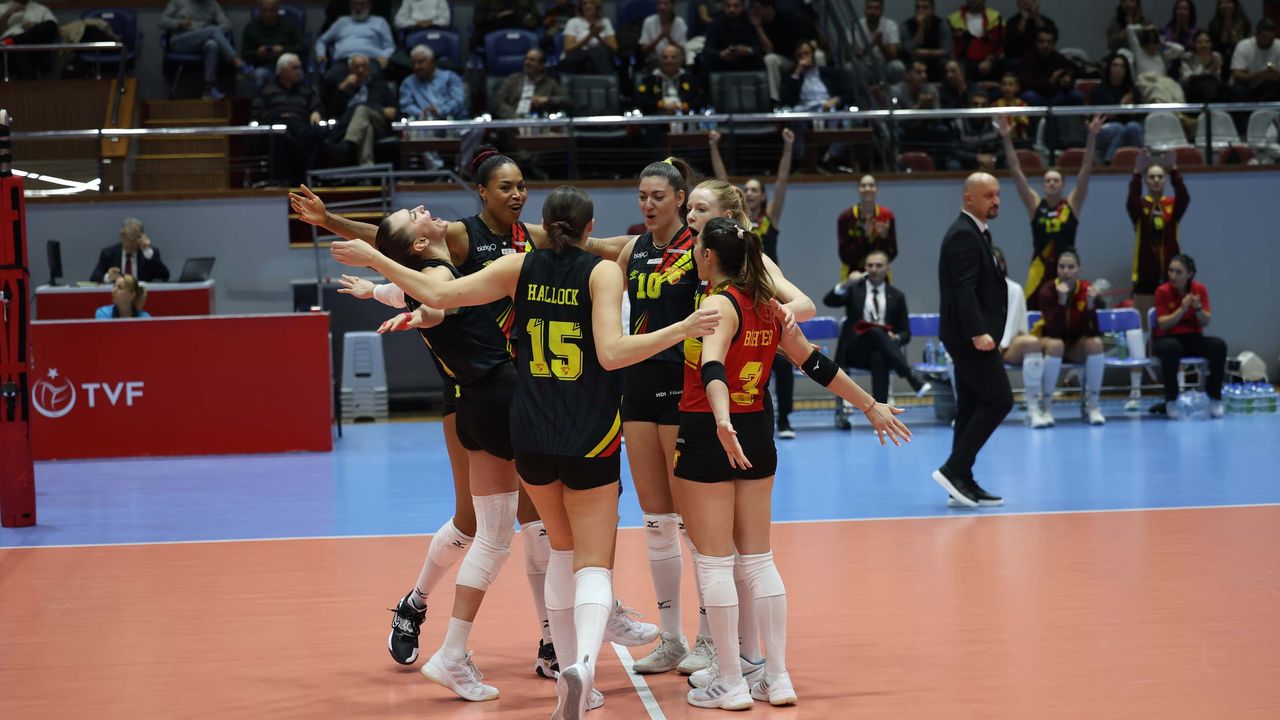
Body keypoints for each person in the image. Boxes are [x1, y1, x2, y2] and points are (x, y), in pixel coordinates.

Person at [332, 185, 717, 720]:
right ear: (589, 228)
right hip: (576, 422)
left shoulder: (515, 266)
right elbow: (610, 353)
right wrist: (682, 328)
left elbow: (438, 296)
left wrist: (381, 280)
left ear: (541, 225)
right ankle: (582, 653)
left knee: (547, 545)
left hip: (520, 424)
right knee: (585, 557)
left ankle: (549, 649)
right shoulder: (599, 273)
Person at [291, 151, 659, 684]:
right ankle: (455, 607)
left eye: (522, 185)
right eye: (505, 186)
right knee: (496, 526)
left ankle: (551, 640)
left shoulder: (533, 239)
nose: (517, 194)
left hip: (514, 390)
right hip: (487, 395)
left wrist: (663, 244)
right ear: (482, 193)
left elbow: (597, 245)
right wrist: (337, 227)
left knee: (530, 525)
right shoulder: (461, 239)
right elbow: (407, 257)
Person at [676, 216, 910, 710]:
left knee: (715, 562)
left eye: (697, 246)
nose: (694, 252)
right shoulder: (770, 307)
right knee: (758, 560)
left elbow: (712, 364)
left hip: (711, 430)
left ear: (709, 256)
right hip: (757, 431)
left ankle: (731, 682)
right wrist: (870, 405)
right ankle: (777, 678)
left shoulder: (717, 303)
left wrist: (721, 419)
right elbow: (815, 364)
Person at [710, 127, 798, 436]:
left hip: (769, 293)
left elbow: (782, 182)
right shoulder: (734, 224)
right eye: (745, 189)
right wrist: (714, 148)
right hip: (739, 296)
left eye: (755, 189)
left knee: (784, 360)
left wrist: (788, 149)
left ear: (762, 195)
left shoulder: (770, 220)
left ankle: (784, 420)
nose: (749, 193)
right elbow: (723, 184)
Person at [932, 173, 1012, 509]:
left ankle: (960, 481)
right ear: (969, 198)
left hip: (966, 335)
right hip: (970, 337)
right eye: (989, 195)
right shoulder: (964, 234)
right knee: (999, 400)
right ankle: (954, 469)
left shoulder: (976, 232)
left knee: (969, 405)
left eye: (997, 194)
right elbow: (963, 289)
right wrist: (978, 332)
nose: (996, 201)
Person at [997, 113, 1102, 310]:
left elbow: (1086, 169)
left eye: (1056, 180)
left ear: (1062, 185)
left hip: (1067, 268)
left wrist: (1092, 136)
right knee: (1032, 313)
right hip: (1040, 268)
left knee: (1068, 312)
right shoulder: (1035, 205)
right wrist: (1006, 138)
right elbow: (1016, 172)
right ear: (1043, 185)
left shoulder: (1072, 204)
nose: (1052, 183)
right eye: (1048, 180)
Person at [823, 249, 931, 420]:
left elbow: (906, 333)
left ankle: (881, 415)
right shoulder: (854, 290)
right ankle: (911, 378)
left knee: (879, 356)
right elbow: (828, 301)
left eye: (878, 265)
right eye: (870, 265)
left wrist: (896, 338)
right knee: (874, 330)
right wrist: (846, 284)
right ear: (865, 268)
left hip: (882, 350)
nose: (873, 269)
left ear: (887, 269)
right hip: (855, 350)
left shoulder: (897, 296)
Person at [1031, 249, 1107, 427]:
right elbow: (1054, 331)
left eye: (1071, 267)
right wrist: (1062, 301)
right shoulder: (1047, 291)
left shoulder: (1087, 289)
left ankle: (1092, 405)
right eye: (1061, 267)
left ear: (1079, 270)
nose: (1066, 271)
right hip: (1049, 342)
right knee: (1056, 345)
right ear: (1056, 269)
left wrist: (1090, 306)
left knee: (1096, 344)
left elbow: (1094, 331)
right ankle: (1046, 406)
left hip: (1074, 345)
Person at [1151, 254, 1228, 418]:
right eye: (1171, 271)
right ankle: (1171, 400)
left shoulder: (1199, 290)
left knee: (1219, 345)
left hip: (1192, 338)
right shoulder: (1162, 291)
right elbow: (1163, 324)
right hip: (1166, 339)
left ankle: (1215, 398)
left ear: (1189, 274)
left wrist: (1198, 308)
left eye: (1178, 272)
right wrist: (1182, 309)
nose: (1173, 275)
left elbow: (1206, 321)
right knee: (1172, 348)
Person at [1127, 148, 1189, 324]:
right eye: (1152, 177)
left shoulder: (1172, 205)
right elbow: (1131, 202)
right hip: (1145, 274)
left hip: (1172, 275)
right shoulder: (1140, 206)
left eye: (1160, 177)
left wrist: (1174, 170)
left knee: (1170, 323)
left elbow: (1184, 198)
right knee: (1145, 325)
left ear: (1165, 180)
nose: (1156, 180)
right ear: (1146, 181)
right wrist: (1136, 173)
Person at [990, 246, 1047, 431]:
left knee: (1032, 343)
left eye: (995, 261)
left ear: (1002, 264)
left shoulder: (1014, 289)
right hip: (982, 346)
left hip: (1006, 346)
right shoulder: (974, 289)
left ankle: (1033, 408)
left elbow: (1014, 323)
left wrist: (1000, 345)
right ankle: (964, 412)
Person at [251, 53, 327, 186]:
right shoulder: (267, 89)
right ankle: (285, 180)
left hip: (301, 125)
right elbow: (257, 112)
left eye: (300, 67)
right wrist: (274, 117)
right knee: (282, 135)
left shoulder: (306, 90)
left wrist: (316, 112)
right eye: (295, 68)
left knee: (316, 132)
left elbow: (318, 106)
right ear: (283, 71)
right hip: (278, 126)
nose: (299, 72)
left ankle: (308, 178)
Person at [159, 0, 247, 99]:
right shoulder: (177, 1)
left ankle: (209, 89)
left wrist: (207, 31)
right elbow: (162, 21)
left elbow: (227, 24)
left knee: (212, 45)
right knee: (212, 30)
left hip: (202, 39)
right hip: (180, 41)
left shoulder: (212, 4)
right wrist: (179, 23)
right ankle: (236, 60)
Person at [315, 0, 396, 101]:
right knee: (329, 78)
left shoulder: (380, 22)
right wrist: (321, 54)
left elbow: (390, 46)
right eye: (355, 4)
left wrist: (385, 57)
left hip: (370, 61)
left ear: (369, 5)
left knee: (375, 78)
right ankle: (335, 108)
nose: (358, 8)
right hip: (344, 61)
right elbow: (322, 41)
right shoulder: (342, 22)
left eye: (361, 4)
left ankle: (371, 107)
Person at [325, 53, 396, 166]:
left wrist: (383, 110)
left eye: (363, 66)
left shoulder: (379, 84)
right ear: (350, 70)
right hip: (351, 125)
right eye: (356, 67)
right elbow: (331, 111)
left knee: (361, 109)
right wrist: (342, 88)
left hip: (378, 121)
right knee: (367, 128)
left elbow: (393, 108)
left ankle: (347, 145)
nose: (360, 70)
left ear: (369, 68)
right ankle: (367, 167)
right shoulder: (346, 87)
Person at [836, 174, 897, 282]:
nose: (867, 189)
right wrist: (864, 238)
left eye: (871, 185)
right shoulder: (846, 217)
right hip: (853, 274)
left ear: (877, 190)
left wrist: (884, 238)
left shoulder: (886, 215)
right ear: (858, 190)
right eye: (863, 186)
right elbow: (844, 257)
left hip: (880, 276)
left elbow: (892, 254)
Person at [1091, 54, 1146, 162]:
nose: (1118, 69)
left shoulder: (1132, 89)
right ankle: (1110, 162)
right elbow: (1101, 116)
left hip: (1129, 124)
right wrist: (1121, 106)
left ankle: (1140, 161)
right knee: (1118, 128)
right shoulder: (1099, 90)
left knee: (1133, 127)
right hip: (1105, 127)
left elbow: (1140, 114)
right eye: (1115, 65)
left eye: (1122, 66)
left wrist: (1131, 110)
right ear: (1109, 68)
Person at [241, 0, 306, 91]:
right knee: (259, 75)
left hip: (287, 66)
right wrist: (257, 53)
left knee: (299, 75)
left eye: (272, 10)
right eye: (265, 10)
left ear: (277, 10)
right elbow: (244, 53)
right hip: (263, 66)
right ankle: (260, 100)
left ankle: (296, 100)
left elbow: (302, 47)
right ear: (260, 11)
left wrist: (283, 50)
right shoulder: (251, 28)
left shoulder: (289, 26)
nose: (268, 14)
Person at [91, 218, 170, 284]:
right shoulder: (109, 254)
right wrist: (108, 277)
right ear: (122, 236)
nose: (131, 244)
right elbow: (94, 278)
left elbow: (165, 275)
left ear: (141, 238)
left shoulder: (150, 254)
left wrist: (147, 251)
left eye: (135, 240)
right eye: (128, 239)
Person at [1018, 27, 1083, 107]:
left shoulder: (1060, 58)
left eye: (1049, 42)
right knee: (1029, 96)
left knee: (1076, 95)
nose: (1045, 45)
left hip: (1056, 97)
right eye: (1041, 42)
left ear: (1054, 44)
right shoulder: (1027, 59)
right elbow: (1026, 83)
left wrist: (1067, 81)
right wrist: (1050, 81)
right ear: (1036, 43)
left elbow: (1073, 72)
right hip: (1037, 96)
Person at [399, 45, 466, 121]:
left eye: (420, 62)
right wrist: (421, 113)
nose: (416, 67)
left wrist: (439, 111)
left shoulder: (450, 77)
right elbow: (406, 105)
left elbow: (458, 101)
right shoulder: (408, 83)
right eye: (413, 63)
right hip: (422, 124)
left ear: (432, 62)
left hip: (451, 122)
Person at [947, 0, 1004, 82]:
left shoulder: (995, 17)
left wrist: (989, 61)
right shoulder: (953, 19)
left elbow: (999, 44)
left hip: (989, 61)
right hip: (963, 62)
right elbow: (950, 44)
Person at [0, 0, 58, 80]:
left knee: (50, 25)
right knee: (21, 50)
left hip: (32, 46)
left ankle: (15, 41)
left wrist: (35, 26)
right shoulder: (2, 7)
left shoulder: (41, 9)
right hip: (6, 50)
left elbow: (53, 28)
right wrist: (8, 13)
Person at [702, 0, 763, 73]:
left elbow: (760, 47)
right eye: (728, 6)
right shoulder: (715, 24)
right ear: (724, 7)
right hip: (722, 66)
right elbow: (708, 49)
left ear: (742, 7)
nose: (732, 9)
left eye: (736, 6)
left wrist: (748, 50)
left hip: (747, 65)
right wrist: (720, 54)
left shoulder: (750, 21)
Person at [559, 0, 618, 76]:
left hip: (598, 58)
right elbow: (568, 49)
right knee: (599, 54)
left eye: (592, 3)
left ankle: (605, 80)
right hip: (576, 59)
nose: (588, 6)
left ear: (597, 6)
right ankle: (607, 80)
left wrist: (598, 36)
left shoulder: (605, 21)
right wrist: (590, 35)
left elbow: (614, 48)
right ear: (581, 7)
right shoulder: (573, 22)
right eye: (584, 4)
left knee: (601, 52)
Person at [851, 0, 903, 83]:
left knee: (897, 66)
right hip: (864, 66)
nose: (872, 12)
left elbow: (892, 56)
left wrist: (880, 44)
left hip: (884, 65)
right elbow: (855, 55)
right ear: (864, 9)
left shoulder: (890, 26)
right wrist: (872, 44)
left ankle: (893, 91)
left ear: (882, 11)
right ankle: (860, 91)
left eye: (876, 8)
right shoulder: (857, 26)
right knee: (849, 67)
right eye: (869, 8)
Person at [1230, 18, 1280, 102]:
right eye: (1264, 37)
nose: (1267, 42)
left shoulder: (1278, 46)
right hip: (1248, 85)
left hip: (1273, 85)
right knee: (1238, 90)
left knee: (1272, 87)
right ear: (1256, 35)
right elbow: (1237, 74)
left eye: (1271, 39)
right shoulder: (1244, 45)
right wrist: (1259, 75)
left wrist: (1275, 76)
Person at [902, 0, 950, 81]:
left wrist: (926, 52)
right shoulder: (907, 25)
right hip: (915, 61)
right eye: (918, 7)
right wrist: (921, 27)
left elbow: (946, 50)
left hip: (936, 60)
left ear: (932, 10)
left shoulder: (942, 24)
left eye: (925, 8)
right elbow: (910, 50)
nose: (920, 11)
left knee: (946, 63)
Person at [472, 0, 541, 52]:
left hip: (521, 36)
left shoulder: (526, 1)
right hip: (494, 34)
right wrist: (498, 16)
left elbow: (536, 19)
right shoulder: (485, 2)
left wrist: (522, 17)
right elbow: (478, 20)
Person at [1003, 0, 1057, 68]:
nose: (1028, 4)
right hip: (1018, 60)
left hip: (1042, 59)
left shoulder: (1047, 22)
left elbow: (1050, 37)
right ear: (1018, 4)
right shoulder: (1011, 22)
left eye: (1032, 1)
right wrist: (1024, 19)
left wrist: (1036, 16)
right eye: (1024, 2)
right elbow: (1011, 45)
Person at [1179, 31, 1225, 102]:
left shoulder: (1216, 56)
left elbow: (1217, 77)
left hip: (1212, 89)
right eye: (1199, 42)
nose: (1203, 45)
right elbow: (1187, 77)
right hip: (1191, 89)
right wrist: (1204, 69)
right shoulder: (1187, 57)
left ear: (1211, 44)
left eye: (1207, 42)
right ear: (1194, 44)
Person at [639, 0, 688, 66]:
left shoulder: (680, 23)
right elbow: (644, 50)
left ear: (673, 5)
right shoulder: (649, 21)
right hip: (654, 61)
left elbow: (682, 51)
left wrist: (669, 38)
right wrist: (660, 37)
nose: (662, 7)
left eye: (666, 3)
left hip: (675, 61)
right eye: (659, 3)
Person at [1208, 0, 1252, 64]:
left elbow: (1240, 46)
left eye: (1227, 2)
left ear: (1235, 5)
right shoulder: (1214, 24)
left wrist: (1229, 24)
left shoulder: (1244, 23)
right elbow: (1215, 47)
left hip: (1239, 60)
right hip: (1220, 61)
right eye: (1221, 3)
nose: (1224, 6)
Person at [992, 73, 1030, 143]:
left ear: (1017, 87)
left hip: (1019, 139)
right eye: (1004, 84)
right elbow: (994, 125)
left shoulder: (1021, 104)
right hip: (1000, 140)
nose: (1007, 88)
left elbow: (1025, 122)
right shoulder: (995, 105)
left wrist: (1016, 113)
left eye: (1011, 84)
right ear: (1000, 87)